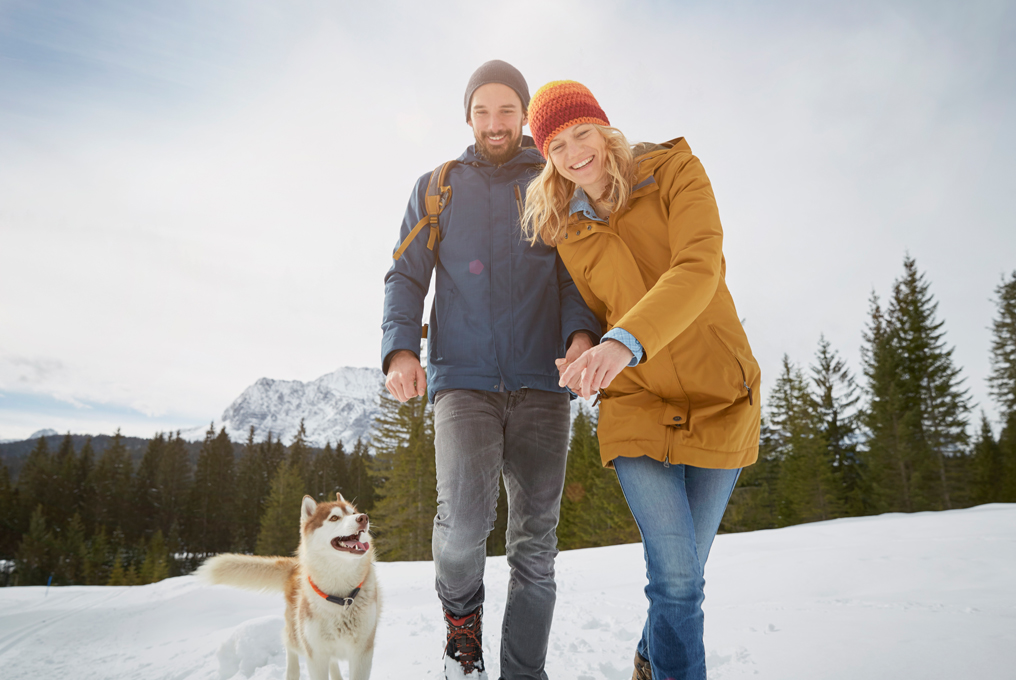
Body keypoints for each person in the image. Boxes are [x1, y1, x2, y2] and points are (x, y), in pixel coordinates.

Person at [521, 80, 762, 680]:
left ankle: (652, 659)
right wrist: (582, 344)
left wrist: (623, 341)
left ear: (605, 129)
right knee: (676, 576)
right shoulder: (564, 226)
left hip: (718, 392)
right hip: (637, 399)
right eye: (556, 146)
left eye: (582, 134)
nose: (574, 153)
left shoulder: (675, 172)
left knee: (686, 574)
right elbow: (583, 302)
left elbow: (698, 267)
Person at [381, 62, 601, 679]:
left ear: (524, 115)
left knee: (535, 546)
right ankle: (462, 630)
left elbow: (574, 276)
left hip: (544, 383)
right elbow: (405, 275)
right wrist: (401, 350)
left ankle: (524, 672)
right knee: (461, 530)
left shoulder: (552, 180)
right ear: (468, 116)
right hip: (463, 382)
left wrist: (581, 335)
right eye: (483, 111)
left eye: (507, 110)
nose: (495, 123)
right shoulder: (438, 187)